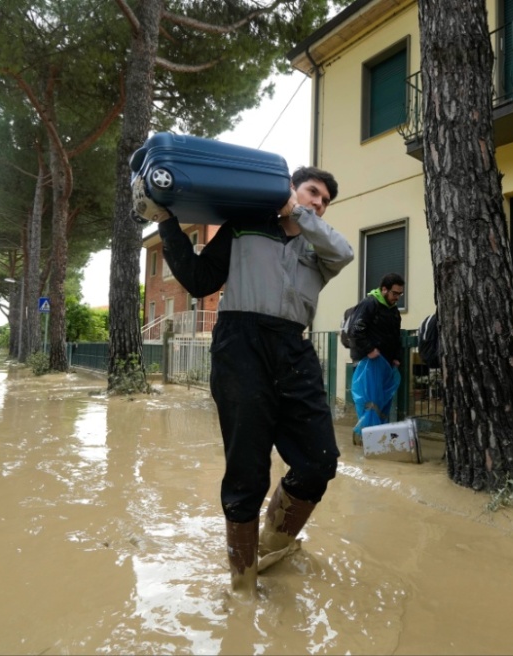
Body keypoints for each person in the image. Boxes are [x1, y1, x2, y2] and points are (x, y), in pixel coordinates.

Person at [154, 166, 354, 598]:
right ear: (290, 188)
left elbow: (345, 252)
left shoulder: (321, 246)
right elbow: (200, 278)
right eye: (312, 192)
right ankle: (242, 587)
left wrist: (301, 215)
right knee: (247, 467)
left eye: (324, 201)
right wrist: (166, 224)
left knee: (320, 461)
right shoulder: (244, 227)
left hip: (292, 348)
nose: (318, 202)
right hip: (239, 344)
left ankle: (269, 545)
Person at [349, 274, 404, 432]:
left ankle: (377, 437)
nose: (397, 298)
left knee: (382, 402)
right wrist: (369, 350)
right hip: (370, 362)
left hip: (386, 363)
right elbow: (356, 329)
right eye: (395, 293)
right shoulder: (369, 304)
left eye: (400, 294)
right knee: (371, 402)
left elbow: (396, 336)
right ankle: (369, 437)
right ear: (384, 290)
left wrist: (396, 357)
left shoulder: (394, 312)